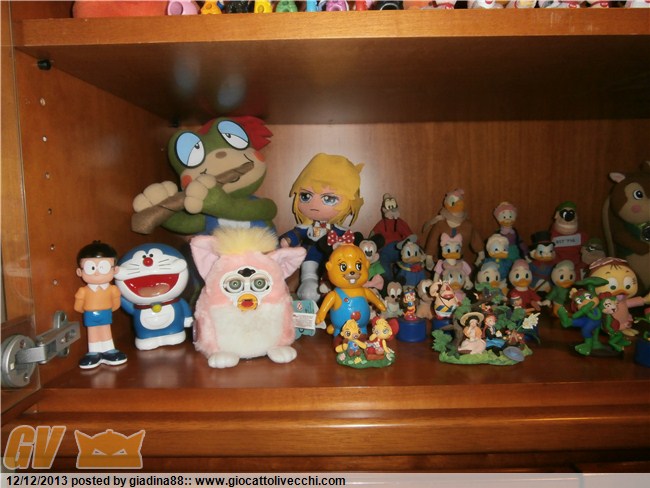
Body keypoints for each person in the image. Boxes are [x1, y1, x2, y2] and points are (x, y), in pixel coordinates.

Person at [74, 241, 127, 369]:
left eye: (103, 267)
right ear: (80, 272)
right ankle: (94, 352)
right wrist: (86, 310)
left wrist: (110, 308)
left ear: (115, 270)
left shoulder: (112, 289)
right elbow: (78, 306)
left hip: (105, 312)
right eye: (91, 268)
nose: (96, 273)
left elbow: (116, 302)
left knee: (105, 330)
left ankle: (109, 350)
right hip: (90, 314)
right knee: (92, 332)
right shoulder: (83, 291)